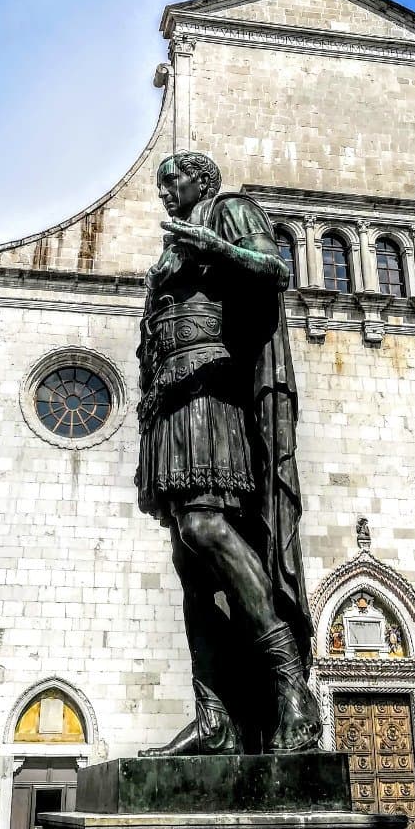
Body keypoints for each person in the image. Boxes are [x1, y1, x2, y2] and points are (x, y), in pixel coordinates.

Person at [135, 151, 321, 755]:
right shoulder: (170, 245)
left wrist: (213, 248)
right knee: (191, 566)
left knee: (206, 526)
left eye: (173, 180)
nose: (165, 192)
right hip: (170, 397)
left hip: (215, 390)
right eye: (161, 184)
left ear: (201, 178)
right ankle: (215, 719)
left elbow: (273, 270)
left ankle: (293, 689)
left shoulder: (229, 210)